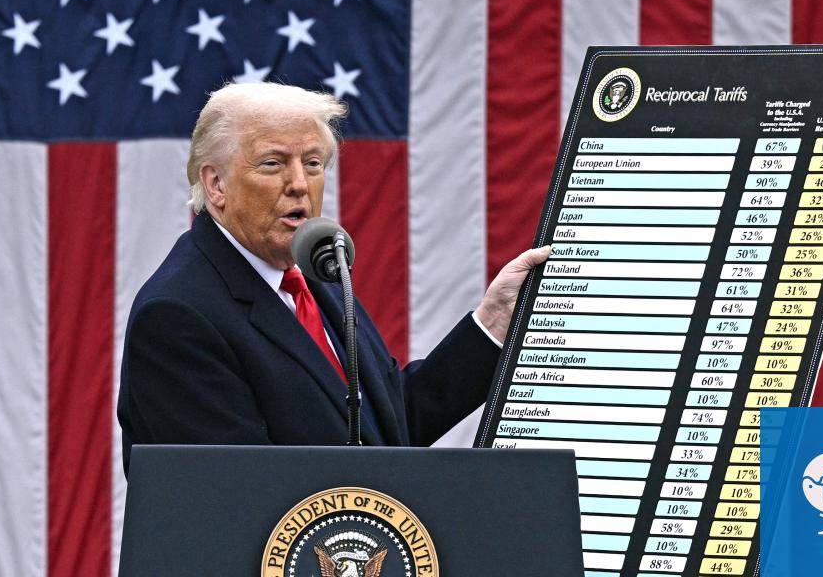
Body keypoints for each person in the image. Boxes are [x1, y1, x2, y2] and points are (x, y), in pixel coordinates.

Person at [117, 82, 547, 474]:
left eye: (313, 163)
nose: (300, 184)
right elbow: (235, 495)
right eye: (273, 163)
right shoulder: (178, 314)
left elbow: (385, 429)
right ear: (215, 185)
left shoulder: (314, 274)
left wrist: (492, 324)